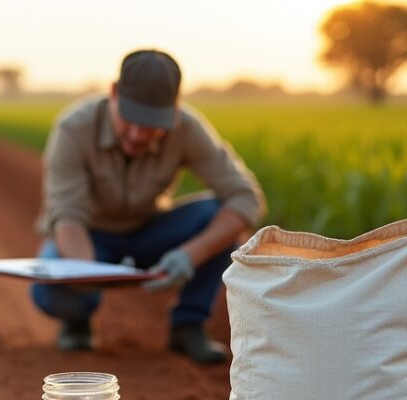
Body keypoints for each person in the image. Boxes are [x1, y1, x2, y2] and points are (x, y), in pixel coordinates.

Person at [31, 49, 266, 364]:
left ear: (174, 111)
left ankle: (188, 324)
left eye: (152, 124)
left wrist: (190, 255)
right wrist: (85, 274)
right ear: (114, 93)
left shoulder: (188, 129)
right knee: (51, 289)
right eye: (131, 119)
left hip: (149, 233)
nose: (138, 134)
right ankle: (77, 320)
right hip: (90, 239)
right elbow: (67, 216)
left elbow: (245, 197)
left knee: (219, 215)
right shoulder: (74, 129)